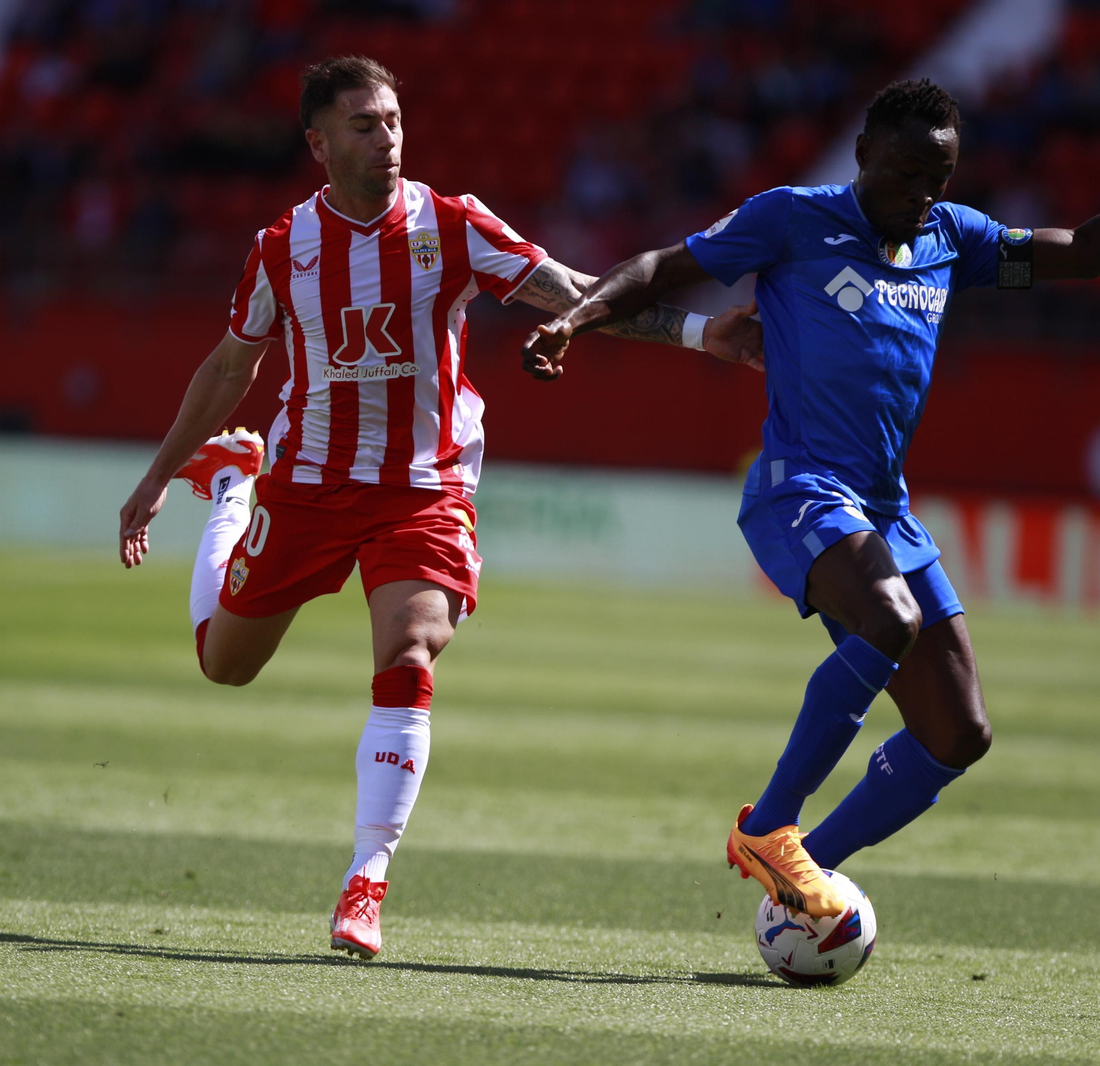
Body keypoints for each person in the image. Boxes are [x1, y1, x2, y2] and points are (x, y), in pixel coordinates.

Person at [523, 78, 1100, 918]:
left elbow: (1084, 251)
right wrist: (577, 319)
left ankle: (805, 872)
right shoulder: (792, 217)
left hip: (884, 509)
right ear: (864, 154)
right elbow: (661, 265)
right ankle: (769, 824)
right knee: (889, 621)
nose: (921, 193)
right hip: (800, 487)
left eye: (937, 175)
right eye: (905, 172)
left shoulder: (954, 236)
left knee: (958, 733)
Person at [117, 55, 760, 959]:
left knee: (411, 643)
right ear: (318, 143)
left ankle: (365, 883)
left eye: (392, 121)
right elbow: (232, 366)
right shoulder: (279, 249)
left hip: (424, 484)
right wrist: (156, 479)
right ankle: (233, 484)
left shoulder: (449, 226)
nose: (386, 138)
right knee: (225, 666)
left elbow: (573, 295)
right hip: (306, 482)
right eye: (363, 125)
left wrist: (699, 333)